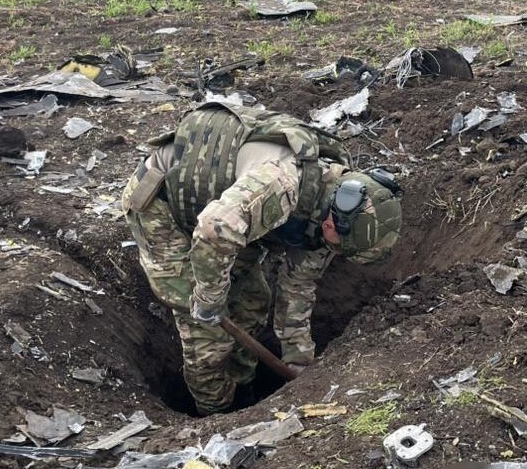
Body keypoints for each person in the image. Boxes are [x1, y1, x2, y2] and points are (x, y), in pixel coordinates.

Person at [122, 102, 402, 415]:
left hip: (226, 210)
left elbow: (298, 286)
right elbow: (215, 230)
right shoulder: (281, 186)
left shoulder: (335, 216)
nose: (339, 254)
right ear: (332, 224)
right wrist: (209, 299)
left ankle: (242, 392)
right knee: (207, 333)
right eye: (343, 248)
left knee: (252, 301)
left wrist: (299, 362)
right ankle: (216, 413)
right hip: (166, 204)